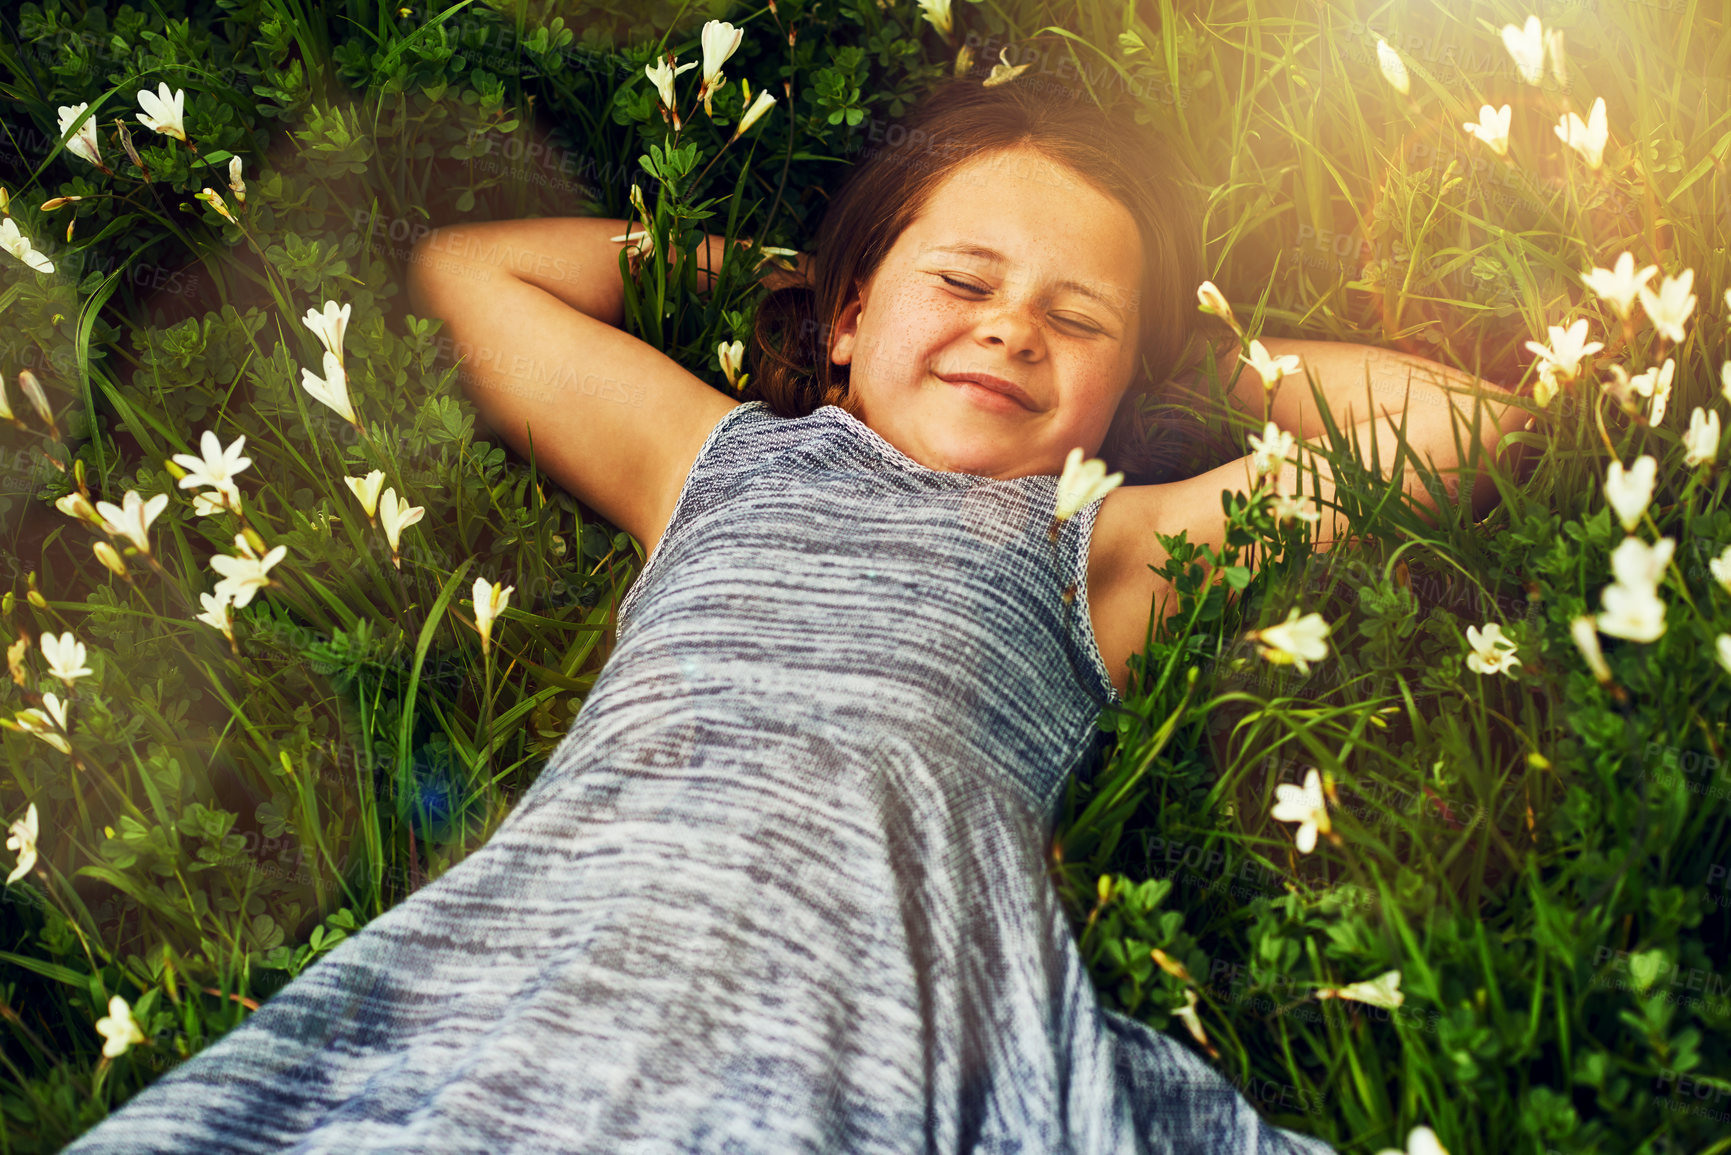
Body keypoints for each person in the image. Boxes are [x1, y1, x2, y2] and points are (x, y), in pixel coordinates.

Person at [62, 75, 1522, 1154]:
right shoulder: (713, 454)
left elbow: (1457, 425)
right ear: (843, 322)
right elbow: (468, 278)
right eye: (961, 281)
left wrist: (1204, 359)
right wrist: (756, 270)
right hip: (604, 888)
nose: (1013, 324)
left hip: (884, 941)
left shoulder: (1101, 541)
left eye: (1077, 320)